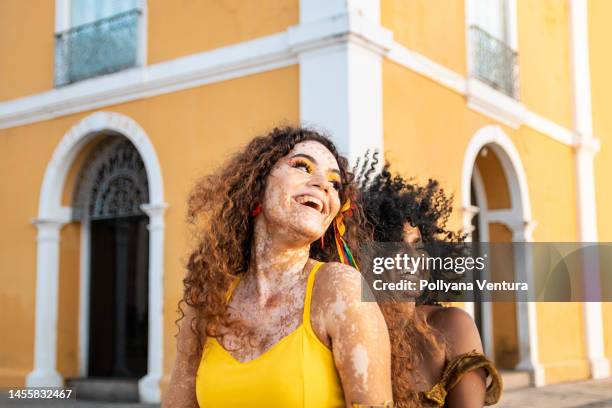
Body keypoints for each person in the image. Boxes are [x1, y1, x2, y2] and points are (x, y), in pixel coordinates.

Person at [162, 127, 393, 408]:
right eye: (302, 166)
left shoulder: (340, 289)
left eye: (335, 184)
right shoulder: (208, 299)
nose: (323, 184)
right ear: (257, 186)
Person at [356, 156, 502, 407]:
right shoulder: (352, 326)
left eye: (419, 247)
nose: (412, 259)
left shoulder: (450, 326)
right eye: (397, 246)